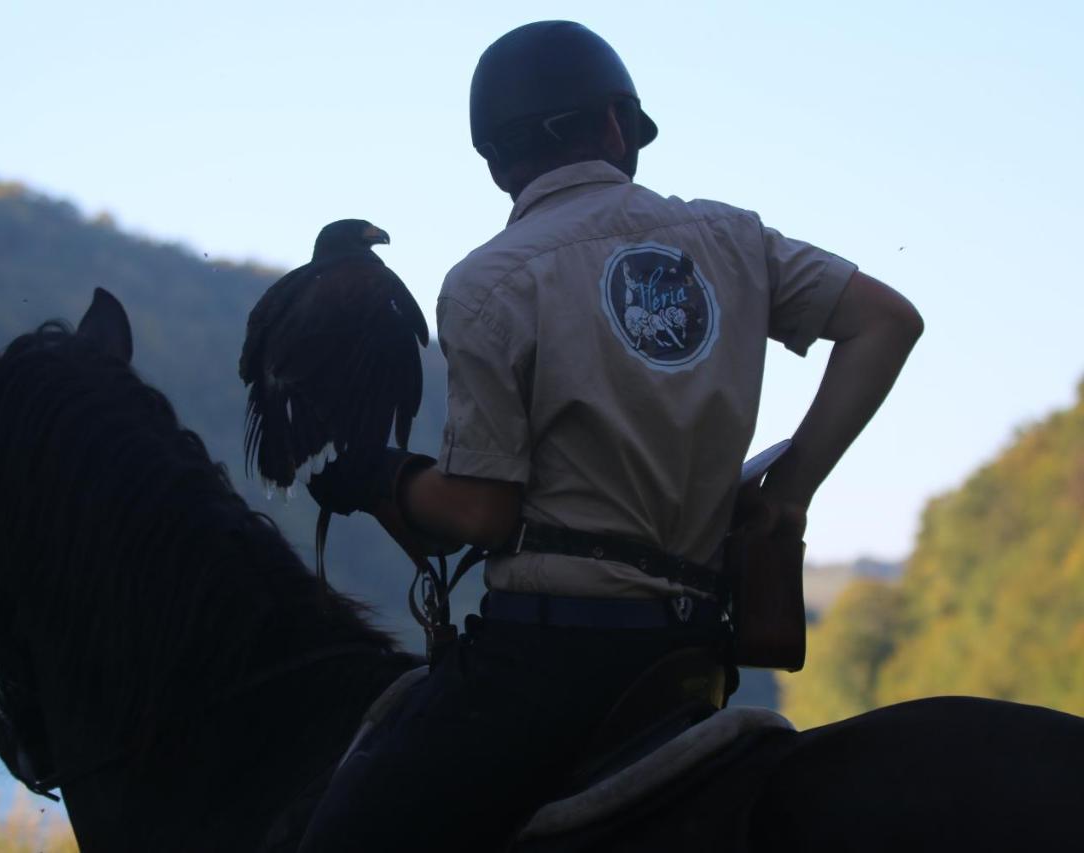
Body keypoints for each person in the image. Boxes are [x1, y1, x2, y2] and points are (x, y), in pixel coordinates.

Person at [298, 19, 923, 852]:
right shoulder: (733, 238)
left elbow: (484, 513)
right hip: (693, 657)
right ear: (617, 126)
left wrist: (388, 480)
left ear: (494, 161)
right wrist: (791, 489)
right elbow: (887, 321)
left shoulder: (488, 283)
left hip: (545, 666)